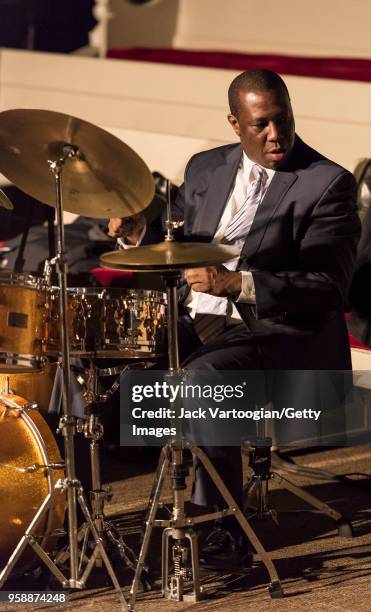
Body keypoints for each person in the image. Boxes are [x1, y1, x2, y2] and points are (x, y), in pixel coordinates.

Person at [108, 69, 361, 569]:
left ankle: (221, 523)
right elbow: (177, 234)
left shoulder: (326, 183)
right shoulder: (204, 168)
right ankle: (74, 510)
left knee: (205, 378)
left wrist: (237, 284)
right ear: (234, 123)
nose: (276, 135)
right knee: (94, 356)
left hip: (280, 334)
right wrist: (141, 231)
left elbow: (329, 288)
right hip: (195, 320)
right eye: (261, 124)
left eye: (282, 120)